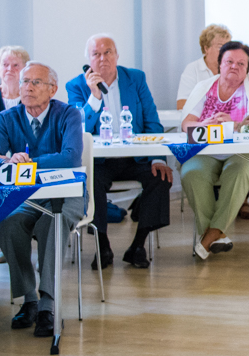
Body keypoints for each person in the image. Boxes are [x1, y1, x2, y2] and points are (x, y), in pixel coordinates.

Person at [0, 63, 84, 339]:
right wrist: (8, 161)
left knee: (53, 222)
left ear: (52, 89)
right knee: (9, 224)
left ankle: (47, 305)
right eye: (24, 81)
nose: (27, 87)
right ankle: (29, 299)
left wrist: (29, 164)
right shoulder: (7, 118)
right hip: (26, 197)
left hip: (66, 193)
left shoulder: (69, 114)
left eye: (36, 82)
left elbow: (71, 157)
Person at [65, 34, 172, 270]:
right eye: (96, 54)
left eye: (108, 52)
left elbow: (152, 122)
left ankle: (138, 245)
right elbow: (78, 130)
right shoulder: (76, 85)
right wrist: (94, 97)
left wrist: (158, 158)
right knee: (90, 182)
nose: (102, 58)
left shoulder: (135, 78)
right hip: (100, 161)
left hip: (135, 157)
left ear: (117, 55)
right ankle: (102, 245)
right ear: (88, 59)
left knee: (161, 178)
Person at [180, 40, 249, 260]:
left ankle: (209, 236)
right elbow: (186, 124)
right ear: (219, 64)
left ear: (247, 69)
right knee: (191, 173)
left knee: (237, 171)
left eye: (241, 63)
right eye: (229, 61)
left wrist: (236, 124)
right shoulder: (205, 87)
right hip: (207, 151)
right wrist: (204, 124)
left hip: (246, 153)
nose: (234, 67)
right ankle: (216, 235)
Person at [175, 24, 233, 109]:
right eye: (220, 47)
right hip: (201, 117)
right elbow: (182, 104)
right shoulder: (193, 69)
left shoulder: (234, 69)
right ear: (206, 48)